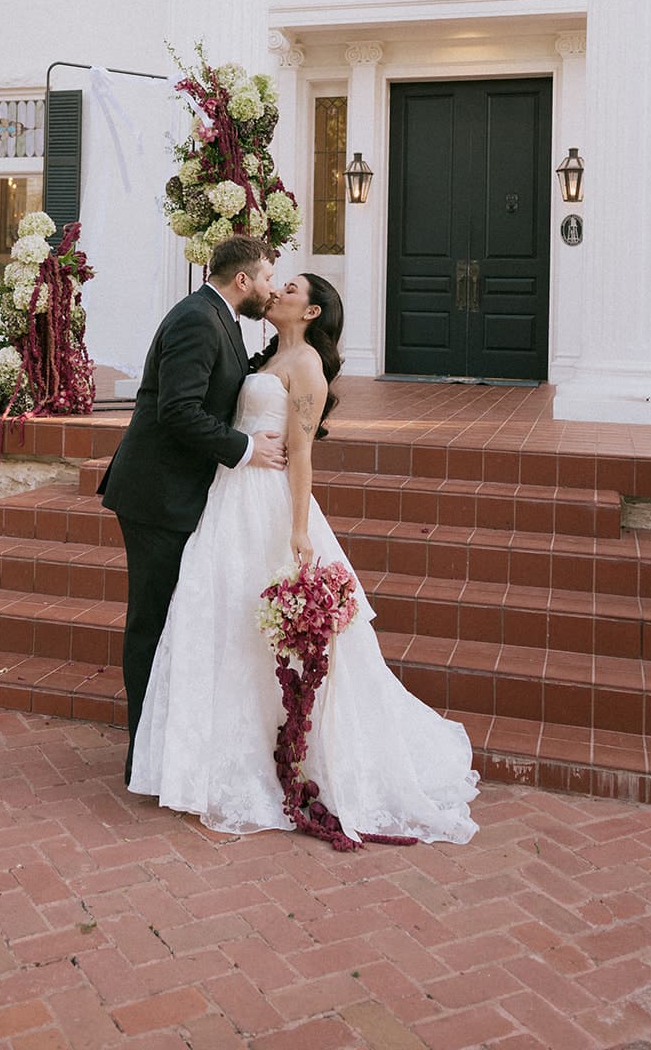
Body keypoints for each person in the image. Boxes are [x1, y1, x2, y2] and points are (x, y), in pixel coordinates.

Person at [127, 271, 480, 845]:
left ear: (311, 313)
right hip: (226, 499)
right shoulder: (264, 356)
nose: (278, 292)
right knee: (215, 620)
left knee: (255, 629)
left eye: (289, 289)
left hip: (266, 507)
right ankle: (204, 760)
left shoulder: (307, 368)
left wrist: (298, 531)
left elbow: (302, 457)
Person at [99, 236, 287, 786]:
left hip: (181, 494)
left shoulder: (221, 317)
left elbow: (227, 381)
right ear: (243, 280)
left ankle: (165, 748)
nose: (273, 289)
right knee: (151, 625)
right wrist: (247, 450)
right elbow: (178, 411)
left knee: (174, 622)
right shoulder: (197, 320)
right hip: (157, 495)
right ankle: (144, 754)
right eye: (269, 279)